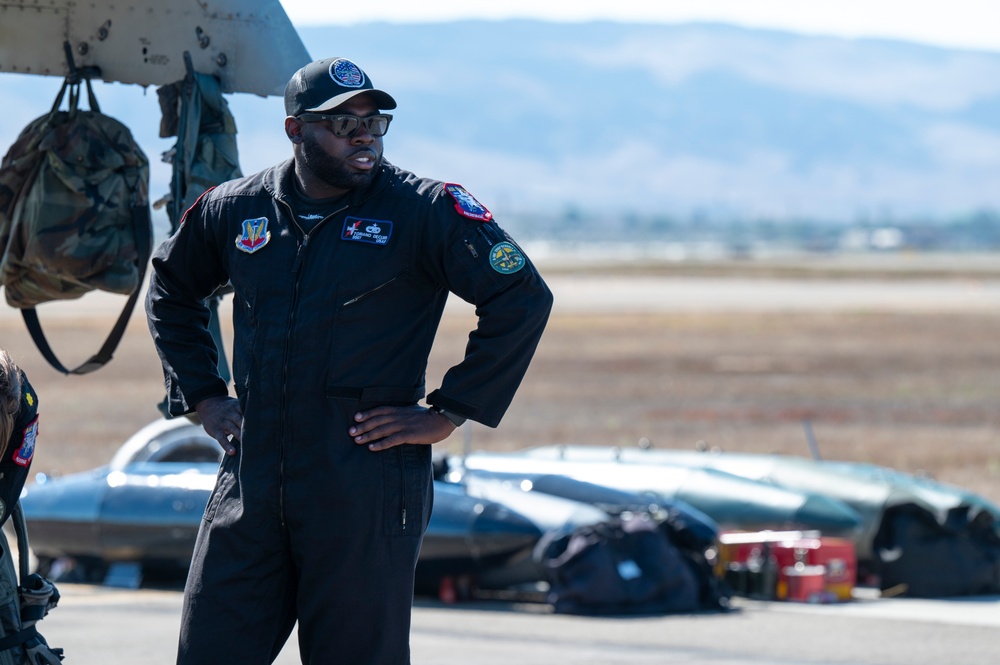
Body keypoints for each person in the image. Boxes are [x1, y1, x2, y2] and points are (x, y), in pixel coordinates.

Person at [145, 56, 553, 664]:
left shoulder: (425, 210)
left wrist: (450, 410)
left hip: (364, 482)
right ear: (295, 130)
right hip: (251, 481)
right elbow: (170, 289)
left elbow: (521, 297)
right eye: (343, 123)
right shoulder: (236, 208)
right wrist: (204, 394)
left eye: (374, 121)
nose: (364, 135)